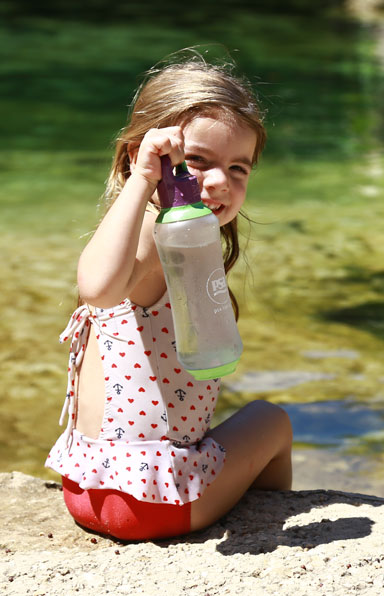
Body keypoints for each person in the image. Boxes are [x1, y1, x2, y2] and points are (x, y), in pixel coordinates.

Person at [46, 52, 293, 541]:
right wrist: (142, 179)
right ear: (142, 158)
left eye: (239, 167)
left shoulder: (165, 237)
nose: (221, 181)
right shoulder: (156, 238)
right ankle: (270, 522)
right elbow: (96, 289)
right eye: (198, 161)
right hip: (153, 507)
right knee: (272, 420)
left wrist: (144, 183)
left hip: (86, 488)